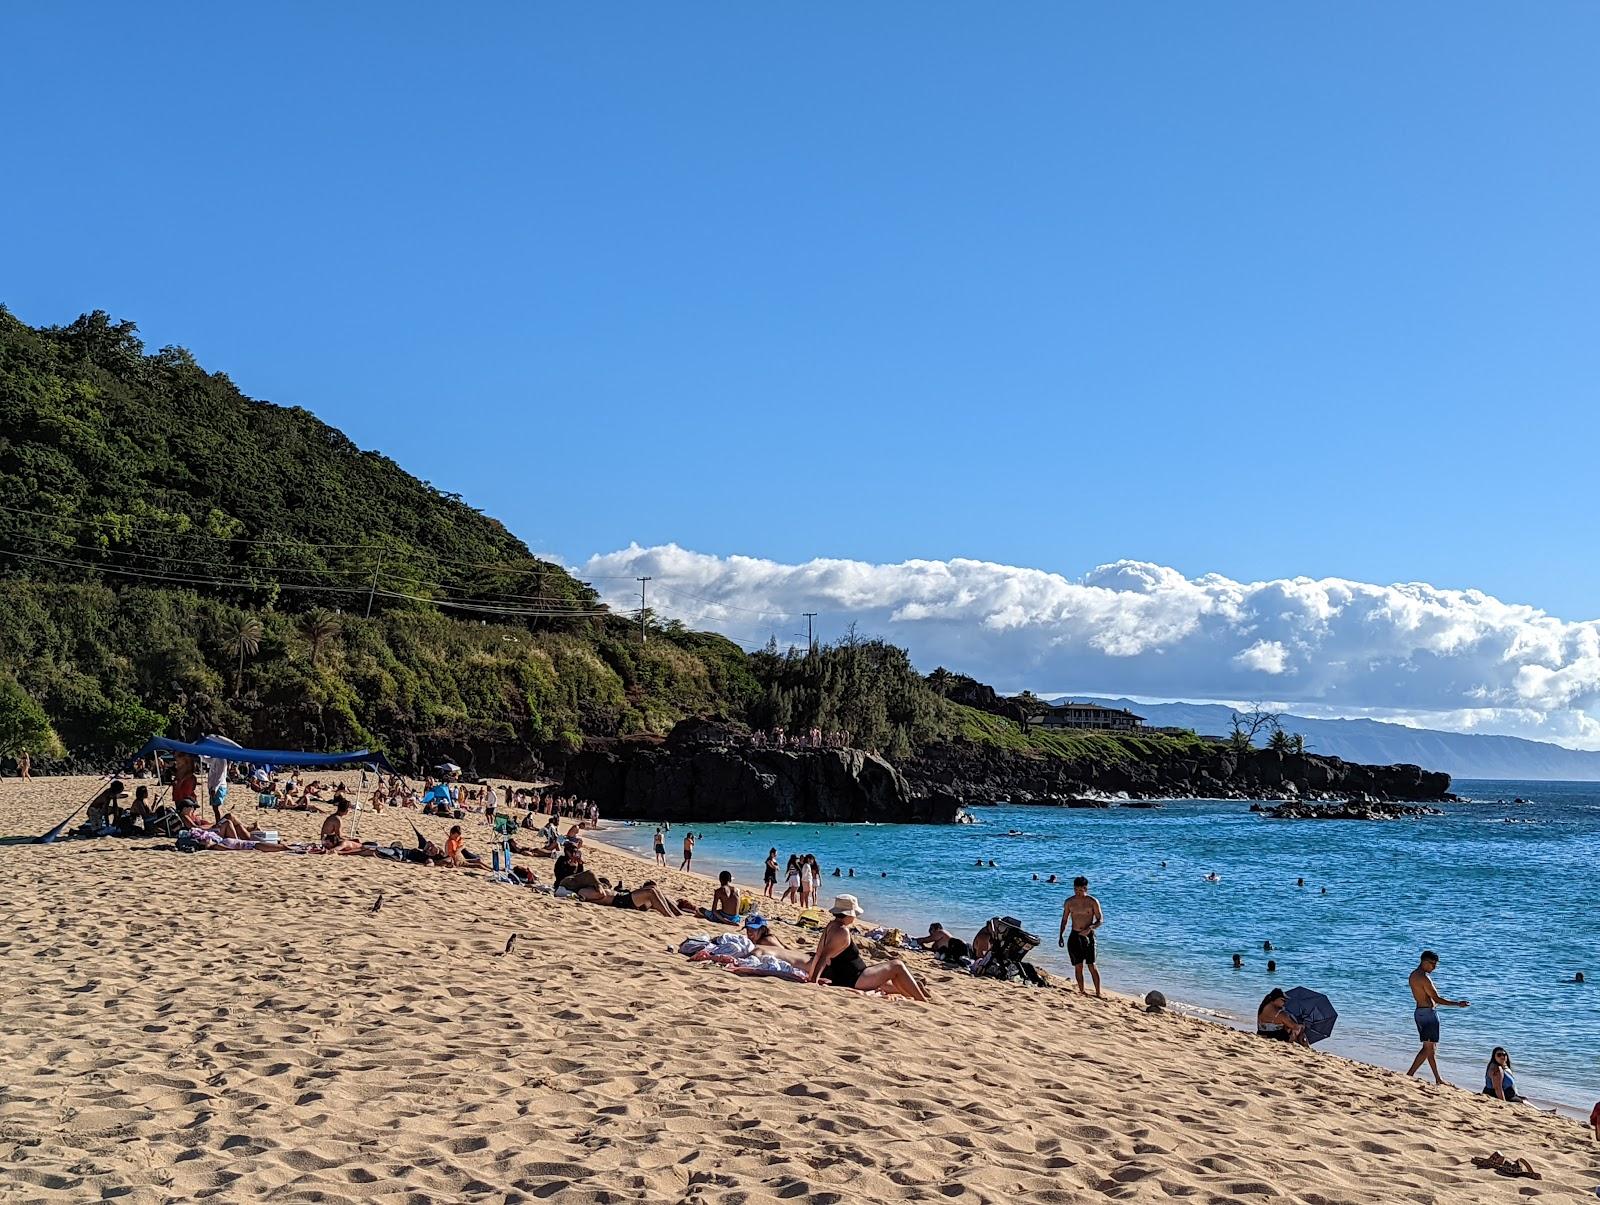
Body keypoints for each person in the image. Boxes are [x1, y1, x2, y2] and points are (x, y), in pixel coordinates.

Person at [804, 895, 928, 1001]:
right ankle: (921, 1000)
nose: (855, 917)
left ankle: (914, 992)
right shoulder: (842, 931)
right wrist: (813, 981)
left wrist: (812, 976)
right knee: (897, 965)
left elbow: (819, 953)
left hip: (850, 976)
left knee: (890, 978)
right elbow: (824, 956)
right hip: (855, 978)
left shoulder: (832, 925)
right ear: (849, 914)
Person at [1406, 950, 1469, 1084]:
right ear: (1424, 962)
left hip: (1420, 1012)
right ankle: (1438, 1078)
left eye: (1436, 965)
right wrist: (1458, 1004)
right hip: (1428, 1014)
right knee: (1430, 1049)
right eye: (1432, 964)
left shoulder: (1413, 975)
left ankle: (1410, 1074)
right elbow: (1437, 998)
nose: (1434, 967)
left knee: (1427, 1048)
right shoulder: (1424, 978)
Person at [1057, 876, 1104, 997]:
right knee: (1078, 966)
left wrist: (1090, 928)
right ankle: (1082, 991)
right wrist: (1061, 935)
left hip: (1088, 936)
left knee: (1091, 965)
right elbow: (1064, 919)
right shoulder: (1069, 902)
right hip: (1074, 935)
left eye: (1080, 890)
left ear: (1085, 888)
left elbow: (1100, 920)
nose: (1077, 893)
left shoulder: (1092, 901)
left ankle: (1098, 993)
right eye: (1075, 890)